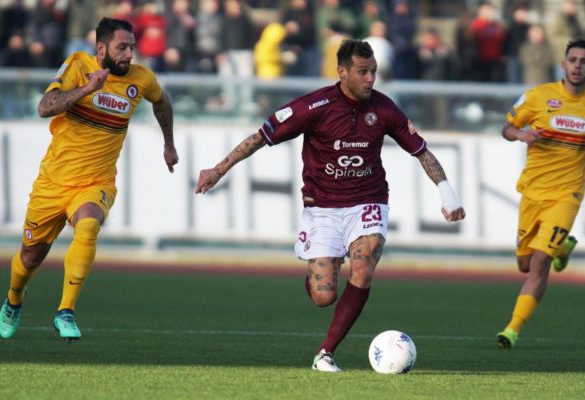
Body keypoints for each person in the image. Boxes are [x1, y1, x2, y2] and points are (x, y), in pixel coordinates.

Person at [195, 39, 465, 372]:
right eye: (362, 72)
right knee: (323, 296)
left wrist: (447, 193)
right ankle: (317, 273)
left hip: (368, 200)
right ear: (342, 72)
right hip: (322, 207)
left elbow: (421, 151)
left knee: (364, 264)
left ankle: (325, 353)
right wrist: (218, 169)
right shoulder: (313, 106)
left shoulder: (384, 109)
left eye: (373, 71)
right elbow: (260, 137)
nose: (370, 79)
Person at [0, 17, 179, 341]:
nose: (129, 55)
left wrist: (168, 144)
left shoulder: (141, 79)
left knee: (89, 224)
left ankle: (65, 310)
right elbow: (45, 107)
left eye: (131, 48)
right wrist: (88, 89)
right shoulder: (78, 66)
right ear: (101, 49)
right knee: (30, 257)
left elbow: (162, 102)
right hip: (53, 182)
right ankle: (14, 299)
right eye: (121, 48)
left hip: (97, 182)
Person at [496, 39, 585, 348]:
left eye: (584, 61)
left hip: (567, 194)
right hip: (533, 191)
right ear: (563, 64)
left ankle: (512, 329)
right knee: (524, 263)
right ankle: (563, 247)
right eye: (572, 60)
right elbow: (506, 127)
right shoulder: (537, 96)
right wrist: (519, 133)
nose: (577, 66)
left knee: (539, 262)